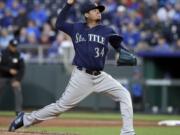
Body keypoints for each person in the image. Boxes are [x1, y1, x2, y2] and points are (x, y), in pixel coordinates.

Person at [8, 1, 136, 135]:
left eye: (99, 10)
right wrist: (68, 5)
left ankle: (127, 132)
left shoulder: (107, 31)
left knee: (124, 94)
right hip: (82, 76)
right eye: (94, 9)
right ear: (86, 14)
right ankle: (25, 119)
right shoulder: (76, 28)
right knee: (60, 107)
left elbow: (118, 46)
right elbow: (59, 24)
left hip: (100, 77)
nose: (98, 11)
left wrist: (124, 52)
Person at [0, 39, 25, 115]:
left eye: (15, 46)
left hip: (13, 78)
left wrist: (18, 80)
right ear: (9, 45)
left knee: (17, 89)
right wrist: (9, 70)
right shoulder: (2, 53)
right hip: (2, 76)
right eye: (13, 46)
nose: (14, 48)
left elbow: (22, 68)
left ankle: (18, 111)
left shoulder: (18, 55)